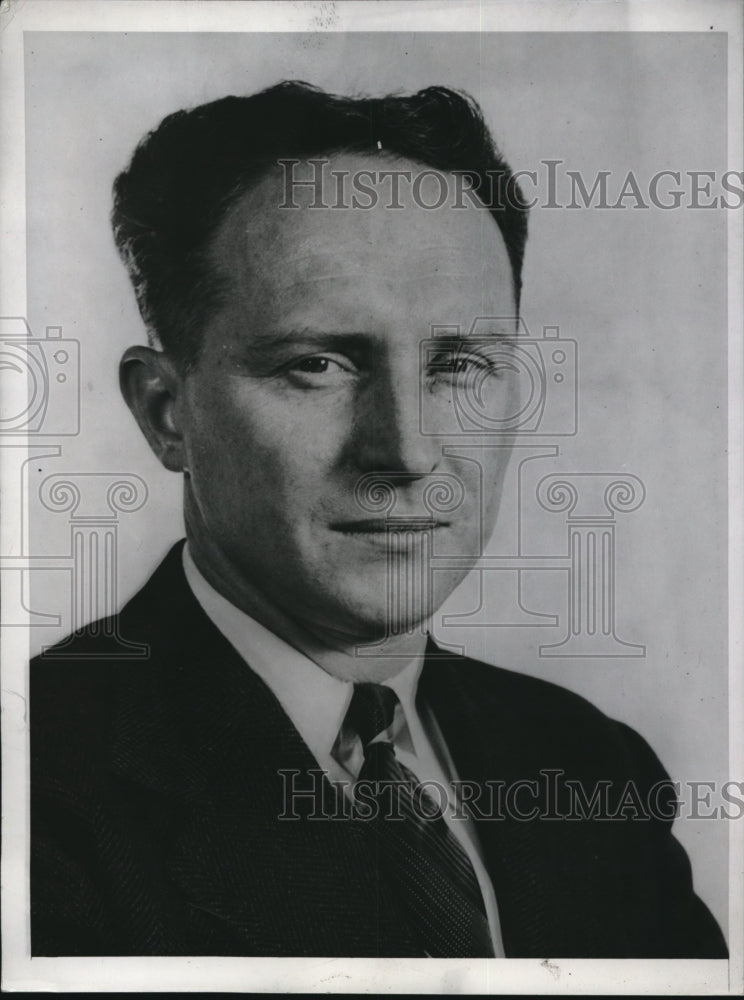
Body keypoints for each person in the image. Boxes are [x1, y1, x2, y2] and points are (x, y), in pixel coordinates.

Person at [31, 81, 727, 958]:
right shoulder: (35, 788)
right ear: (167, 410)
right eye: (318, 364)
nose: (407, 451)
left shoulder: (586, 763)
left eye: (459, 365)